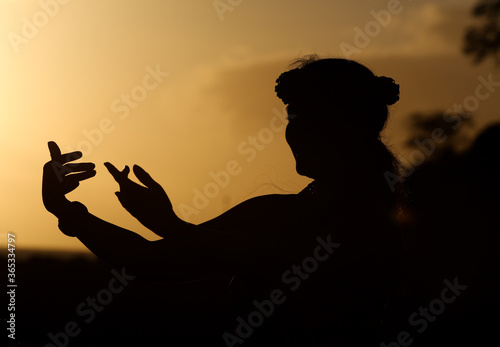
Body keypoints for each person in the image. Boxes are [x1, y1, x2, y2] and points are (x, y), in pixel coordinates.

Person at [42, 55, 403, 346]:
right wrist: (68, 210)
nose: (296, 129)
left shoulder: (367, 221)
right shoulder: (279, 211)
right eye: (293, 117)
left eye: (310, 117)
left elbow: (266, 262)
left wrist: (170, 224)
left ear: (349, 125)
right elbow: (149, 261)